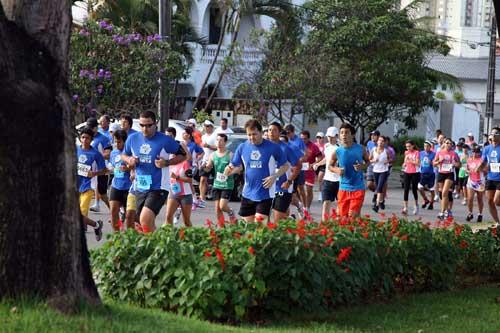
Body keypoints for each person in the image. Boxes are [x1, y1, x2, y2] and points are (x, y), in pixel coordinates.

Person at [122, 110, 187, 233]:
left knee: (145, 220)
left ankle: (154, 248)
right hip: (140, 186)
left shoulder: (165, 140)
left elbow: (183, 155)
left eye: (148, 125)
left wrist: (166, 163)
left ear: (155, 124)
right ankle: (160, 245)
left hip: (159, 187)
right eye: (142, 125)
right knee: (143, 223)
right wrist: (129, 159)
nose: (145, 129)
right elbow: (124, 155)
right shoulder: (133, 138)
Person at [224, 120, 287, 222]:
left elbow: (285, 165)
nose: (251, 137)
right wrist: (229, 170)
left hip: (265, 193)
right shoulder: (242, 147)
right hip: (247, 193)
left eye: (254, 134)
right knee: (248, 229)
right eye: (249, 135)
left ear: (261, 133)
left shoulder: (273, 147)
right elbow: (235, 165)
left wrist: (274, 176)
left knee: (259, 226)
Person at [329, 123, 369, 218]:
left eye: (346, 133)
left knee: (352, 215)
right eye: (341, 133)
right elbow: (330, 166)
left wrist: (361, 166)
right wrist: (337, 170)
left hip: (358, 187)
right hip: (343, 188)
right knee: (343, 217)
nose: (343, 135)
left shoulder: (361, 149)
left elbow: (368, 162)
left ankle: (356, 230)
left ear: (353, 135)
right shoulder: (337, 151)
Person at [268, 123, 301, 223]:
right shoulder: (265, 147)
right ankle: (290, 220)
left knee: (278, 220)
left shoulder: (286, 148)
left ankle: (288, 222)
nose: (271, 132)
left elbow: (298, 166)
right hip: (268, 187)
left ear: (279, 132)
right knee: (265, 219)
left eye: (274, 130)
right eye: (269, 130)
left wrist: (289, 181)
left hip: (283, 187)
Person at [77, 127, 105, 240]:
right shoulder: (75, 150)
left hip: (88, 186)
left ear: (91, 139)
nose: (84, 140)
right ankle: (96, 225)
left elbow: (104, 170)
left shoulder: (95, 154)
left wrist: (93, 173)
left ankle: (80, 233)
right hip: (75, 185)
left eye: (87, 138)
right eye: (83, 137)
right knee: (76, 213)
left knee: (82, 213)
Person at [204, 133, 237, 224]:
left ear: (225, 142)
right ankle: (222, 230)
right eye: (217, 140)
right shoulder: (212, 155)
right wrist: (205, 167)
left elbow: (238, 168)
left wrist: (230, 171)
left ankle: (230, 212)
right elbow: (208, 167)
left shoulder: (230, 154)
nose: (219, 142)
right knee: (217, 209)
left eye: (221, 140)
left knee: (222, 206)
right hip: (216, 183)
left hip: (227, 184)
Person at [86, 117, 112, 213]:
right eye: (88, 127)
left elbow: (108, 154)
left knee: (103, 194)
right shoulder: (87, 137)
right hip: (88, 169)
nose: (89, 129)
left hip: (101, 170)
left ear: (96, 127)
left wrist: (97, 156)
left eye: (91, 127)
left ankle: (114, 211)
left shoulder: (103, 139)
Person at [313, 126, 340, 219]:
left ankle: (338, 223)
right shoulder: (327, 146)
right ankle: (325, 225)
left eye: (332, 136)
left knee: (339, 203)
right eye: (328, 136)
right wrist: (318, 164)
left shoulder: (340, 148)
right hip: (327, 179)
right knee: (326, 202)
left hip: (339, 180)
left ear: (337, 136)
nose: (330, 138)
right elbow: (326, 159)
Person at [108, 129, 132, 231]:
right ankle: (117, 237)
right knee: (113, 211)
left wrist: (128, 168)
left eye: (119, 142)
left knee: (130, 216)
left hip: (129, 187)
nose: (117, 144)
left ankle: (130, 238)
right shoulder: (113, 153)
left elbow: (138, 167)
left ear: (125, 141)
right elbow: (111, 165)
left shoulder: (130, 152)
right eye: (115, 141)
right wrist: (111, 169)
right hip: (116, 185)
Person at [434, 138, 460, 220]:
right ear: (444, 144)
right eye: (447, 143)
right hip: (441, 173)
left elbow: (459, 164)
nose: (448, 144)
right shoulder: (439, 153)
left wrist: (454, 164)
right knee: (442, 193)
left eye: (450, 143)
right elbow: (434, 163)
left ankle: (442, 212)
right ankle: (446, 211)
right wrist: (439, 162)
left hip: (450, 174)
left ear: (452, 145)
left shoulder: (454, 154)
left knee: (445, 192)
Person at [479, 127, 500, 227]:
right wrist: (478, 169)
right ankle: (497, 222)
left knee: (497, 200)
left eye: (496, 133)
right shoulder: (487, 148)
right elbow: (484, 162)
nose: (494, 135)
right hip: (490, 178)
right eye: (492, 134)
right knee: (490, 201)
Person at [284, 124, 307, 216]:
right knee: (289, 195)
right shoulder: (279, 145)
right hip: (284, 173)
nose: (287, 134)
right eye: (286, 133)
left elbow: (306, 153)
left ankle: (304, 208)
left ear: (293, 132)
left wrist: (300, 160)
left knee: (300, 189)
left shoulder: (297, 142)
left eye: (288, 133)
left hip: (297, 170)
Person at [182, 127, 204, 208]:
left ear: (189, 135)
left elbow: (202, 152)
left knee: (189, 182)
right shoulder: (181, 144)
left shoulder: (193, 145)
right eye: (182, 133)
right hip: (182, 166)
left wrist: (198, 159)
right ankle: (187, 199)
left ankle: (195, 200)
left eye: (185, 133)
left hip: (191, 167)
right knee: (184, 182)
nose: (183, 135)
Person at [301, 130, 322, 211]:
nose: (303, 140)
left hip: (309, 171)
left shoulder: (313, 146)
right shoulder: (297, 145)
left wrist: (313, 164)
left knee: (309, 190)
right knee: (300, 190)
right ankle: (303, 206)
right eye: (301, 138)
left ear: (308, 138)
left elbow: (320, 157)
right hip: (299, 171)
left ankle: (307, 208)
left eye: (305, 139)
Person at [370, 136, 390, 212]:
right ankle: (381, 201)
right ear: (377, 141)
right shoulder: (373, 150)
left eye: (382, 141)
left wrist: (387, 161)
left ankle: (376, 205)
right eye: (379, 140)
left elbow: (390, 159)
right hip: (375, 170)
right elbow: (369, 159)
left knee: (379, 187)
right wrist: (373, 160)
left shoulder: (386, 151)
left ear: (384, 142)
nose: (380, 142)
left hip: (384, 171)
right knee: (378, 187)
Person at [465, 146, 485, 223]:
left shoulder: (481, 160)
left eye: (476, 152)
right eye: (473, 151)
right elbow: (467, 168)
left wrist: (480, 169)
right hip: (471, 180)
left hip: (480, 181)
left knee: (479, 199)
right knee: (470, 198)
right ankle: (470, 213)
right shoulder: (469, 160)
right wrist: (467, 171)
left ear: (479, 153)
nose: (474, 153)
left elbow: (485, 169)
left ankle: (480, 214)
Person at [199, 120, 217, 204]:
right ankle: (202, 199)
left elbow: (218, 147)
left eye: (207, 126)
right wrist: (200, 158)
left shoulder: (215, 135)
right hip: (205, 161)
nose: (206, 127)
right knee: (202, 179)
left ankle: (215, 194)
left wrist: (208, 146)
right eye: (205, 126)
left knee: (217, 180)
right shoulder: (203, 136)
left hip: (215, 160)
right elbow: (203, 149)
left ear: (211, 126)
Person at [402, 140, 420, 215]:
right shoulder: (406, 152)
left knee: (414, 189)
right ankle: (405, 208)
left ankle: (416, 205)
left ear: (413, 145)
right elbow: (405, 162)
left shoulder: (417, 152)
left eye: (409, 146)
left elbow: (418, 163)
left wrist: (411, 161)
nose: (408, 148)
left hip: (415, 172)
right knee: (406, 189)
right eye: (406, 147)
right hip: (407, 172)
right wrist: (404, 164)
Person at [418, 141, 436, 210]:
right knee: (420, 187)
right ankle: (425, 199)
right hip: (422, 173)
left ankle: (431, 203)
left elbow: (435, 164)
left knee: (431, 189)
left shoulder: (433, 154)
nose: (426, 148)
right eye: (424, 146)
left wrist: (431, 162)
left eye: (427, 146)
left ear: (430, 147)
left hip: (431, 173)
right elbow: (419, 161)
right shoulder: (421, 153)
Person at [366, 130, 380, 203]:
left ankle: (377, 195)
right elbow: (367, 153)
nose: (372, 136)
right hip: (371, 165)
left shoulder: (381, 144)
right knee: (369, 184)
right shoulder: (369, 143)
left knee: (377, 182)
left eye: (374, 135)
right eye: (371, 135)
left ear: (378, 136)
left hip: (379, 166)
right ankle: (379, 192)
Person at [314, 132, 326, 202]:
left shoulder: (325, 146)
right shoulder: (314, 145)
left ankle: (320, 194)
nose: (319, 139)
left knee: (320, 178)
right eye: (318, 137)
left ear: (323, 138)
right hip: (315, 164)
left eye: (320, 137)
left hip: (323, 164)